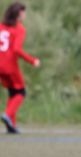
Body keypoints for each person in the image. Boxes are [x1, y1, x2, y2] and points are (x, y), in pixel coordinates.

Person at [0, 2, 40, 134]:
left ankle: (11, 126)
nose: (24, 15)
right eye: (23, 12)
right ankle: (7, 114)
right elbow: (17, 50)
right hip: (10, 66)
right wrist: (32, 60)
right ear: (18, 14)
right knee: (21, 92)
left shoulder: (1, 26)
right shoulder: (19, 29)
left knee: (12, 92)